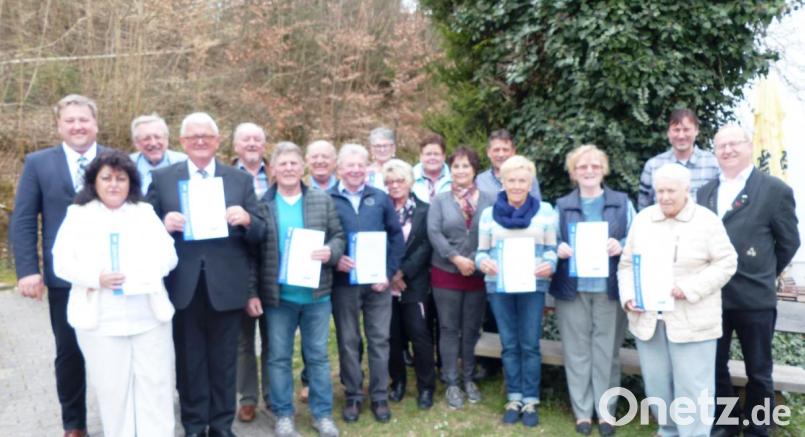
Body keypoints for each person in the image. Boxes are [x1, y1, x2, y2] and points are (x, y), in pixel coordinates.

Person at [146, 112, 266, 437]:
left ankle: (222, 426)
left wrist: (246, 220)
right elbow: (141, 230)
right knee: (189, 362)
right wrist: (162, 225)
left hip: (226, 286)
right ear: (182, 142)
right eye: (193, 136)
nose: (200, 141)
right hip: (183, 286)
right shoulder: (162, 178)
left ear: (217, 141)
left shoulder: (239, 180)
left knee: (224, 362)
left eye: (207, 136)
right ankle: (195, 425)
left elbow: (260, 233)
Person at [52, 151, 178, 437]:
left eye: (121, 179)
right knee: (113, 392)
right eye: (106, 178)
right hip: (101, 320)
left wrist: (147, 271)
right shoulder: (78, 215)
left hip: (148, 317)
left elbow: (168, 256)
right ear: (94, 182)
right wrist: (95, 278)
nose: (113, 185)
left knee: (155, 388)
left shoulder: (144, 213)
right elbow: (61, 262)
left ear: (130, 182)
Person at [10, 94, 110, 437]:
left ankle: (118, 417)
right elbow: (23, 220)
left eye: (84, 119)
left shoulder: (115, 160)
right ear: (59, 126)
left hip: (112, 277)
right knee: (69, 354)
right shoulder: (39, 163)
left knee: (114, 349)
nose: (78, 126)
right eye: (70, 121)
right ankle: (75, 424)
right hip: (65, 279)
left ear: (95, 123)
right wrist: (27, 270)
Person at [619, 163, 737, 437]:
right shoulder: (643, 219)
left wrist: (689, 287)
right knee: (658, 385)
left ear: (687, 190)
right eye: (660, 191)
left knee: (694, 389)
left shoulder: (706, 221)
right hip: (650, 321)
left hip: (692, 321)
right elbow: (626, 265)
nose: (665, 197)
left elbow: (727, 263)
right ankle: (668, 431)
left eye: (671, 190)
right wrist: (629, 297)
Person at [698, 125, 800, 437]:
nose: (727, 150)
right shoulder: (705, 192)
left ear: (749, 146)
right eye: (720, 146)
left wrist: (763, 272)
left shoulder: (774, 190)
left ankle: (758, 429)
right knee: (715, 368)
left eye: (733, 144)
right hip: (713, 298)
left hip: (755, 299)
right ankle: (725, 425)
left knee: (759, 370)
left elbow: (788, 243)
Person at [251, 142, 345, 437]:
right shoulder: (261, 204)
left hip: (317, 296)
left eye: (294, 163)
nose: (289, 169)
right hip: (279, 297)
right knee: (278, 357)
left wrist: (330, 251)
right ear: (273, 170)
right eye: (283, 164)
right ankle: (283, 414)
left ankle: (322, 414)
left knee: (317, 356)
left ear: (302, 167)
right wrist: (252, 292)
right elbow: (251, 253)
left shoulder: (321, 199)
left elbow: (338, 236)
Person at [549, 145, 635, 436]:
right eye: (582, 166)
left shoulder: (622, 203)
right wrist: (557, 247)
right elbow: (550, 242)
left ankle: (606, 412)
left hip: (609, 289)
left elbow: (636, 240)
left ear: (604, 169)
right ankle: (582, 413)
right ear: (573, 172)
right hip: (572, 289)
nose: (588, 171)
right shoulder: (561, 206)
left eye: (594, 166)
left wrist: (621, 244)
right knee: (576, 352)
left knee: (606, 352)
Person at [475, 155, 557, 427]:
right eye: (512, 180)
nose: (518, 185)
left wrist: (550, 264)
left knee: (530, 343)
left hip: (533, 286)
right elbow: (481, 252)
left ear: (530, 182)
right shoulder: (489, 214)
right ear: (502, 181)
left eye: (523, 180)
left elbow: (551, 250)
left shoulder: (545, 211)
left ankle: (531, 399)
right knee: (509, 344)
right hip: (499, 286)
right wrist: (482, 262)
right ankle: (514, 397)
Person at [329, 143, 405, 424]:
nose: (355, 170)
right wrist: (336, 259)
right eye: (349, 165)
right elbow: (323, 239)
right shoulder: (328, 198)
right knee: (348, 340)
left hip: (378, 284)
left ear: (367, 168)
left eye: (360, 165)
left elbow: (396, 238)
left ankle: (379, 395)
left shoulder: (380, 198)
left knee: (379, 339)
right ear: (340, 169)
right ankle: (353, 394)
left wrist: (388, 272)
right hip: (344, 283)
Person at [427, 146, 494, 409]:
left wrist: (474, 259)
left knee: (470, 329)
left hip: (477, 274)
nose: (461, 170)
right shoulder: (440, 200)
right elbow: (434, 233)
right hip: (446, 273)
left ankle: (468, 378)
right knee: (448, 329)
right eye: (456, 166)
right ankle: (451, 382)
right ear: (450, 170)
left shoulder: (490, 199)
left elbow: (493, 232)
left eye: (466, 166)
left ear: (474, 169)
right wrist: (455, 258)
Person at [382, 159, 437, 409]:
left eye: (399, 180)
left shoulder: (425, 210)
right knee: (392, 337)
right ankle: (399, 382)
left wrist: (403, 272)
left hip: (414, 284)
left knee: (420, 335)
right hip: (386, 284)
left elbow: (426, 246)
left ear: (410, 181)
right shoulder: (382, 210)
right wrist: (391, 273)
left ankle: (426, 387)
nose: (394, 186)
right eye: (389, 182)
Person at [231, 122, 270, 422]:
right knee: (243, 340)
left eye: (258, 139)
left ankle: (272, 393)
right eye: (246, 139)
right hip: (239, 266)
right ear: (235, 145)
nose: (252, 143)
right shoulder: (224, 178)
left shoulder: (280, 174)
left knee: (275, 338)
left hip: (274, 266)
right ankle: (247, 397)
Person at [637, 108, 719, 210]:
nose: (681, 136)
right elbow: (643, 207)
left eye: (686, 130)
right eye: (676, 130)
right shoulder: (653, 166)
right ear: (668, 133)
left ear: (696, 131)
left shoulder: (713, 164)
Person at [129, 113, 187, 194]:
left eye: (157, 137)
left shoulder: (184, 163)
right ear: (136, 143)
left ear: (166, 139)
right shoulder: (127, 165)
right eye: (146, 139)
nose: (153, 143)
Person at [475, 129, 541, 200]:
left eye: (505, 150)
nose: (501, 154)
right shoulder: (479, 181)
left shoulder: (528, 177)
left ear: (513, 151)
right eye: (496, 150)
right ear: (488, 152)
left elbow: (537, 206)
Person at [411, 133, 451, 202]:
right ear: (421, 156)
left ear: (444, 157)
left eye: (436, 154)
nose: (432, 158)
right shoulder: (409, 178)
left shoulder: (454, 178)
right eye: (428, 154)